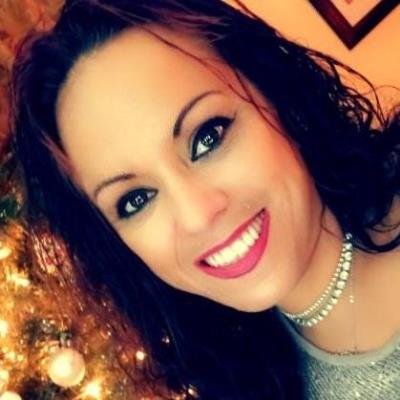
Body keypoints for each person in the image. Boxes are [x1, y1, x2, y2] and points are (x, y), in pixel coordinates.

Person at [9, 0, 400, 398]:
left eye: (207, 137)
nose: (197, 215)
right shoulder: (243, 382)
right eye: (136, 200)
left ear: (274, 93)